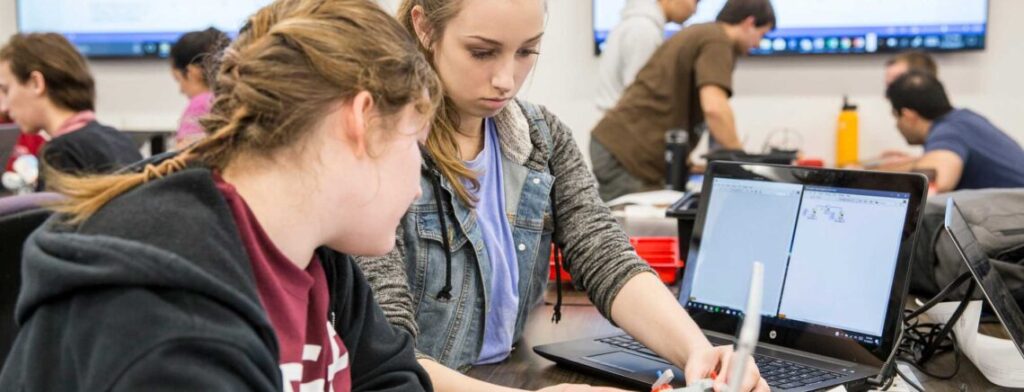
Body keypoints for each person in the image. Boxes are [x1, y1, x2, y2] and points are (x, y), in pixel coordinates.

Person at [0, 0, 442, 390]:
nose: (416, 181)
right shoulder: (165, 326)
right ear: (361, 119)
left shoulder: (318, 254)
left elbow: (392, 377)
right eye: (415, 143)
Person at [354, 1, 768, 391]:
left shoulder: (541, 137)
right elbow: (386, 357)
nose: (506, 79)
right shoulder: (379, 147)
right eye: (482, 52)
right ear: (424, 27)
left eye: (526, 51)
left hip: (499, 374)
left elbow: (604, 253)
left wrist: (698, 351)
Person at [590, 0, 775, 201]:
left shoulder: (703, 34)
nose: (758, 44)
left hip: (620, 150)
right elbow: (715, 108)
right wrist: (744, 166)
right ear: (749, 23)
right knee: (634, 228)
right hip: (627, 156)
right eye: (762, 35)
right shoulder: (718, 40)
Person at [0, 33, 142, 186]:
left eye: (6, 90)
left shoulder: (60, 154)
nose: (4, 107)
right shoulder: (119, 139)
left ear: (36, 83)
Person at [883, 71, 1024, 192]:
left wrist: (870, 178)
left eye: (896, 117)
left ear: (909, 116)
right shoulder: (963, 119)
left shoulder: (948, 132)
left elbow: (934, 181)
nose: (897, 125)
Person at [595, 0, 698, 112]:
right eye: (696, 1)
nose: (694, 10)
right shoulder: (644, 30)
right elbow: (640, 97)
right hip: (627, 125)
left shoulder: (637, 23)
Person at [170, 27, 229, 149]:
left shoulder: (200, 104)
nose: (181, 90)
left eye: (178, 80)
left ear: (193, 72)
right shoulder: (232, 100)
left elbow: (184, 154)